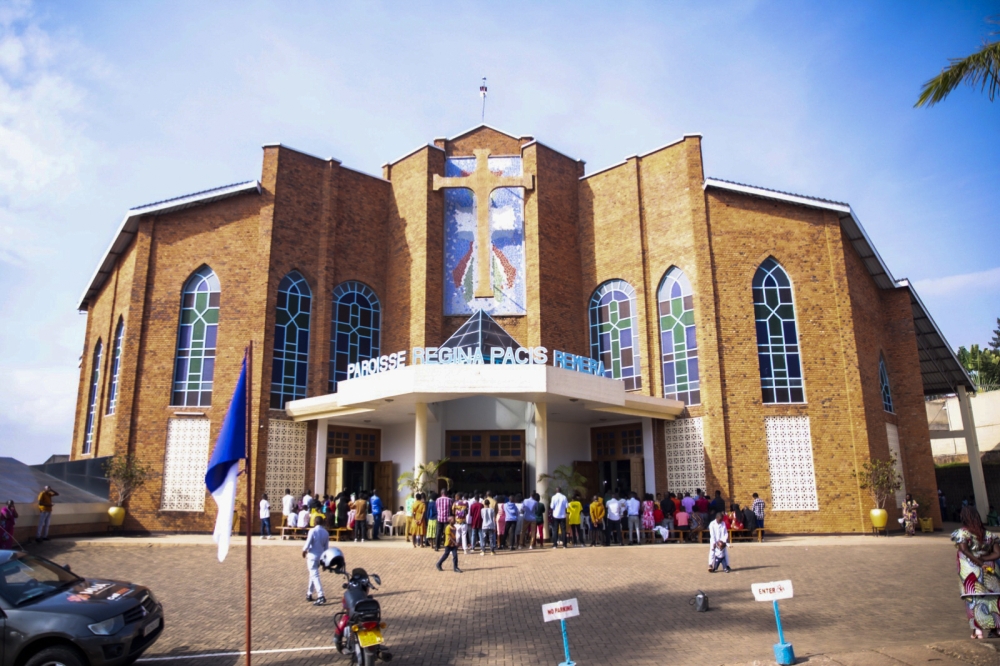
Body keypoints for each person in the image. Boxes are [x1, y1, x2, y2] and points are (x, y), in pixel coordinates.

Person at [952, 506, 1000, 639]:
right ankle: (995, 629)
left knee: (973, 598)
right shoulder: (989, 535)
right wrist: (985, 559)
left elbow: (965, 551)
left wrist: (980, 563)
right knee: (993, 598)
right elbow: (997, 553)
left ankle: (977, 630)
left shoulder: (962, 533)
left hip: (970, 571)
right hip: (991, 570)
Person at [302, 512, 330, 605]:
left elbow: (308, 542)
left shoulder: (312, 531)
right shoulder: (325, 532)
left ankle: (321, 595)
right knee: (312, 574)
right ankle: (309, 593)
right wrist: (325, 560)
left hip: (312, 556)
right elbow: (326, 548)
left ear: (315, 522)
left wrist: (304, 550)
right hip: (320, 556)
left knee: (315, 575)